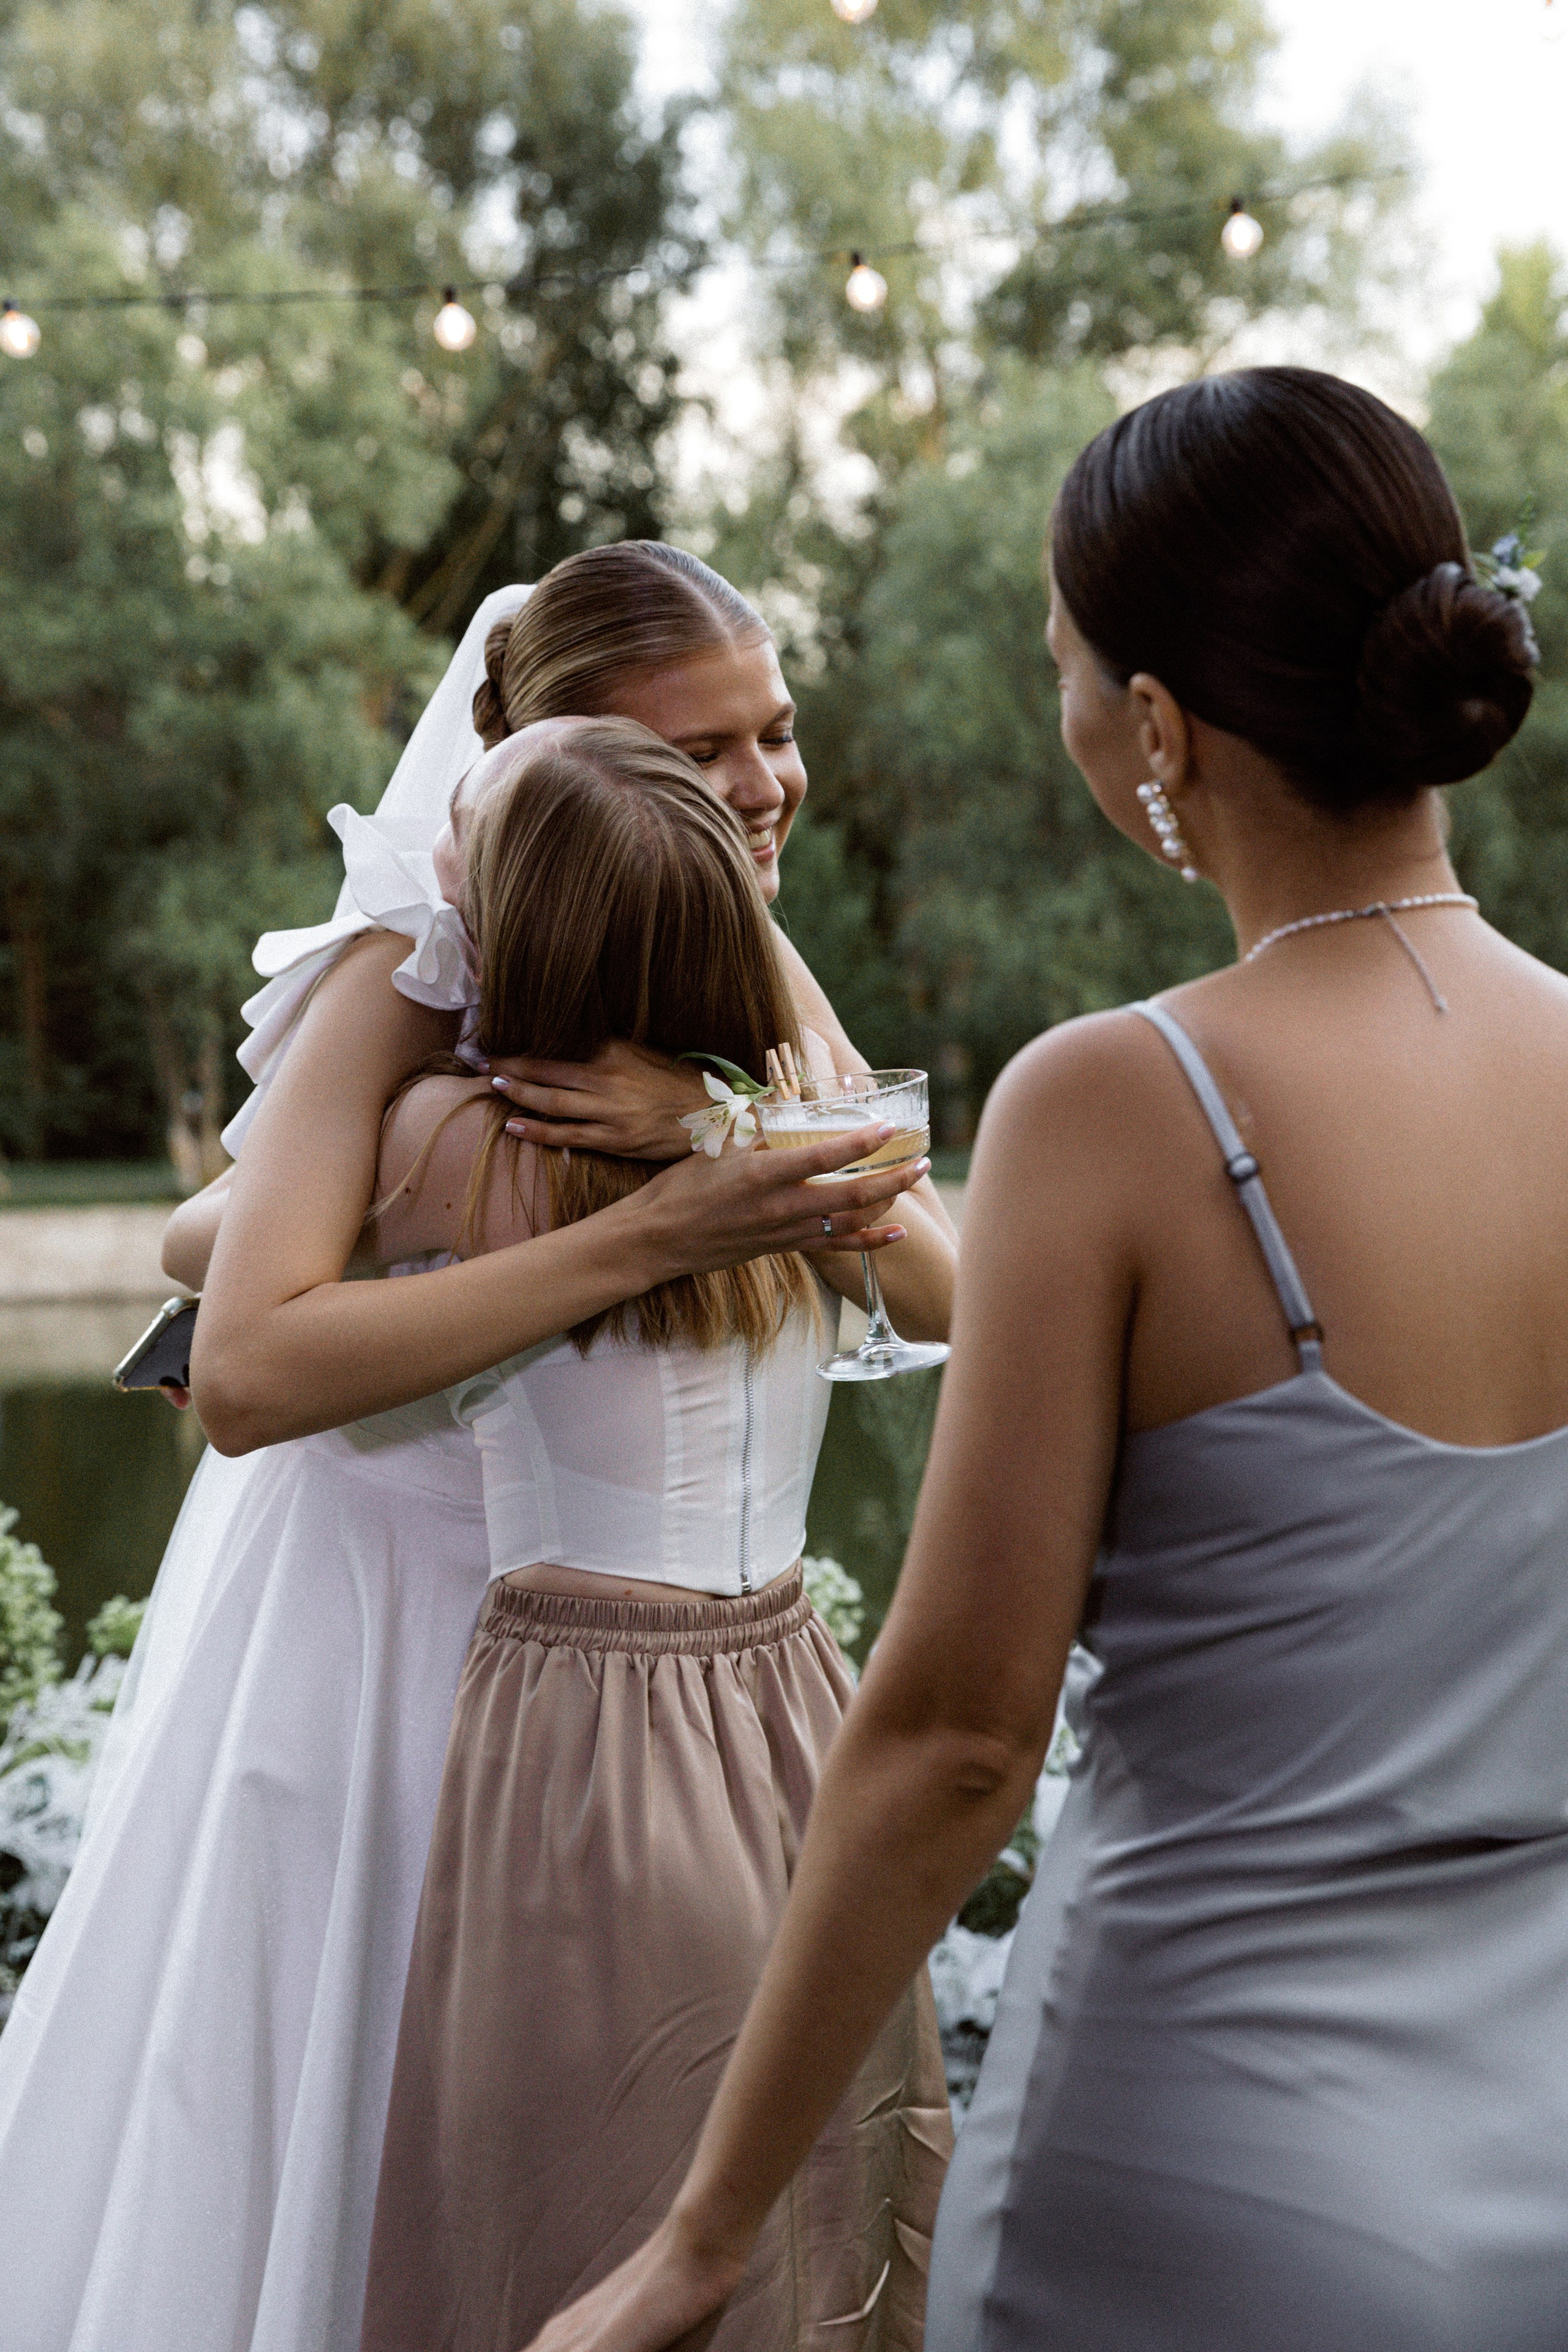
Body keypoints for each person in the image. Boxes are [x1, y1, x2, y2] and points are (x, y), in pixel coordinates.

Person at [525, 364, 1568, 2352]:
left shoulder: (1123, 1100)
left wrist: (701, 2242)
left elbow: (953, 1741)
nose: (1069, 707)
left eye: (1065, 665)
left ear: (1157, 729)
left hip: (1213, 2175)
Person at [0, 543, 954, 2352]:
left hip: (633, 1656)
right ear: (542, 752)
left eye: (777, 733)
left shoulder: (733, 930)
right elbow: (240, 1308)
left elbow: (922, 1257)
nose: (761, 790)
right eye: (706, 747)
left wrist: (704, 1119)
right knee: (360, 2116)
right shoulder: (410, 968)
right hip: (395, 1636)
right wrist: (567, 1211)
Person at [283, 714, 947, 2349]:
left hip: (588, 1746)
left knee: (580, 2215)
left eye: (471, 837)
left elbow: (212, 1244)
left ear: (524, 924)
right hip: (800, 1711)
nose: (435, 847)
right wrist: (721, 1125)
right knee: (809, 2212)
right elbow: (965, 1298)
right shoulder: (809, 1142)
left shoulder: (454, 1142)